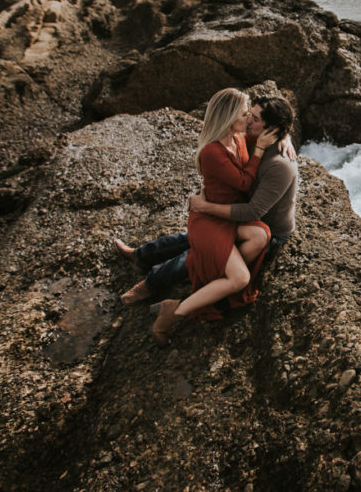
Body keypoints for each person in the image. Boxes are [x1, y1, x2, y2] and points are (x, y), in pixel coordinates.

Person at [115, 92, 298, 344]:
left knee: (199, 252)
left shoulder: (279, 163)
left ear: (270, 128)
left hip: (266, 226)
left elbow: (252, 210)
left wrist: (205, 207)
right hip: (239, 214)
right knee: (192, 238)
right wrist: (286, 134)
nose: (247, 121)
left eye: (252, 117)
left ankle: (153, 282)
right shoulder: (250, 136)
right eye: (248, 114)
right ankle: (141, 255)